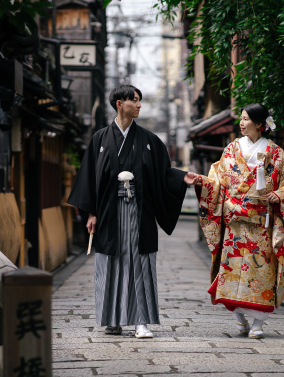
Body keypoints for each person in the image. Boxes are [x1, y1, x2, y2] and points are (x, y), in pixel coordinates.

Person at [67, 85, 201, 339]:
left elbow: (163, 173)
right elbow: (89, 178)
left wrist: (183, 178)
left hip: (140, 211)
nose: (139, 105)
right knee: (111, 263)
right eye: (135, 101)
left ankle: (142, 321)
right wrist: (92, 213)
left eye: (140, 101)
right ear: (120, 103)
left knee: (140, 263)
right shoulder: (100, 140)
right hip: (109, 212)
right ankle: (112, 320)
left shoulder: (149, 141)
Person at [195, 103, 284, 339]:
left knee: (260, 272)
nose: (241, 123)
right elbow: (217, 180)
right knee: (231, 272)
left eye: (246, 119)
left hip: (261, 222)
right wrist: (201, 181)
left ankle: (258, 322)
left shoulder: (274, 152)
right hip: (234, 222)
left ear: (260, 124)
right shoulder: (231, 149)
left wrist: (278, 195)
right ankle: (240, 319)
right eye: (240, 118)